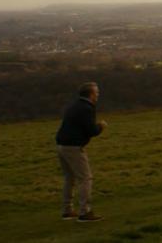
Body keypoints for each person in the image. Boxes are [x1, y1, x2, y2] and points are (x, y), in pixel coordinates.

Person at [55, 82, 107, 222]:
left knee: (69, 178)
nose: (98, 95)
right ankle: (85, 212)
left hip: (61, 145)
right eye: (96, 92)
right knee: (85, 178)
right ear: (90, 94)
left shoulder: (74, 105)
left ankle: (67, 211)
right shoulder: (87, 108)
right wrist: (101, 126)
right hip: (74, 147)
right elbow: (91, 131)